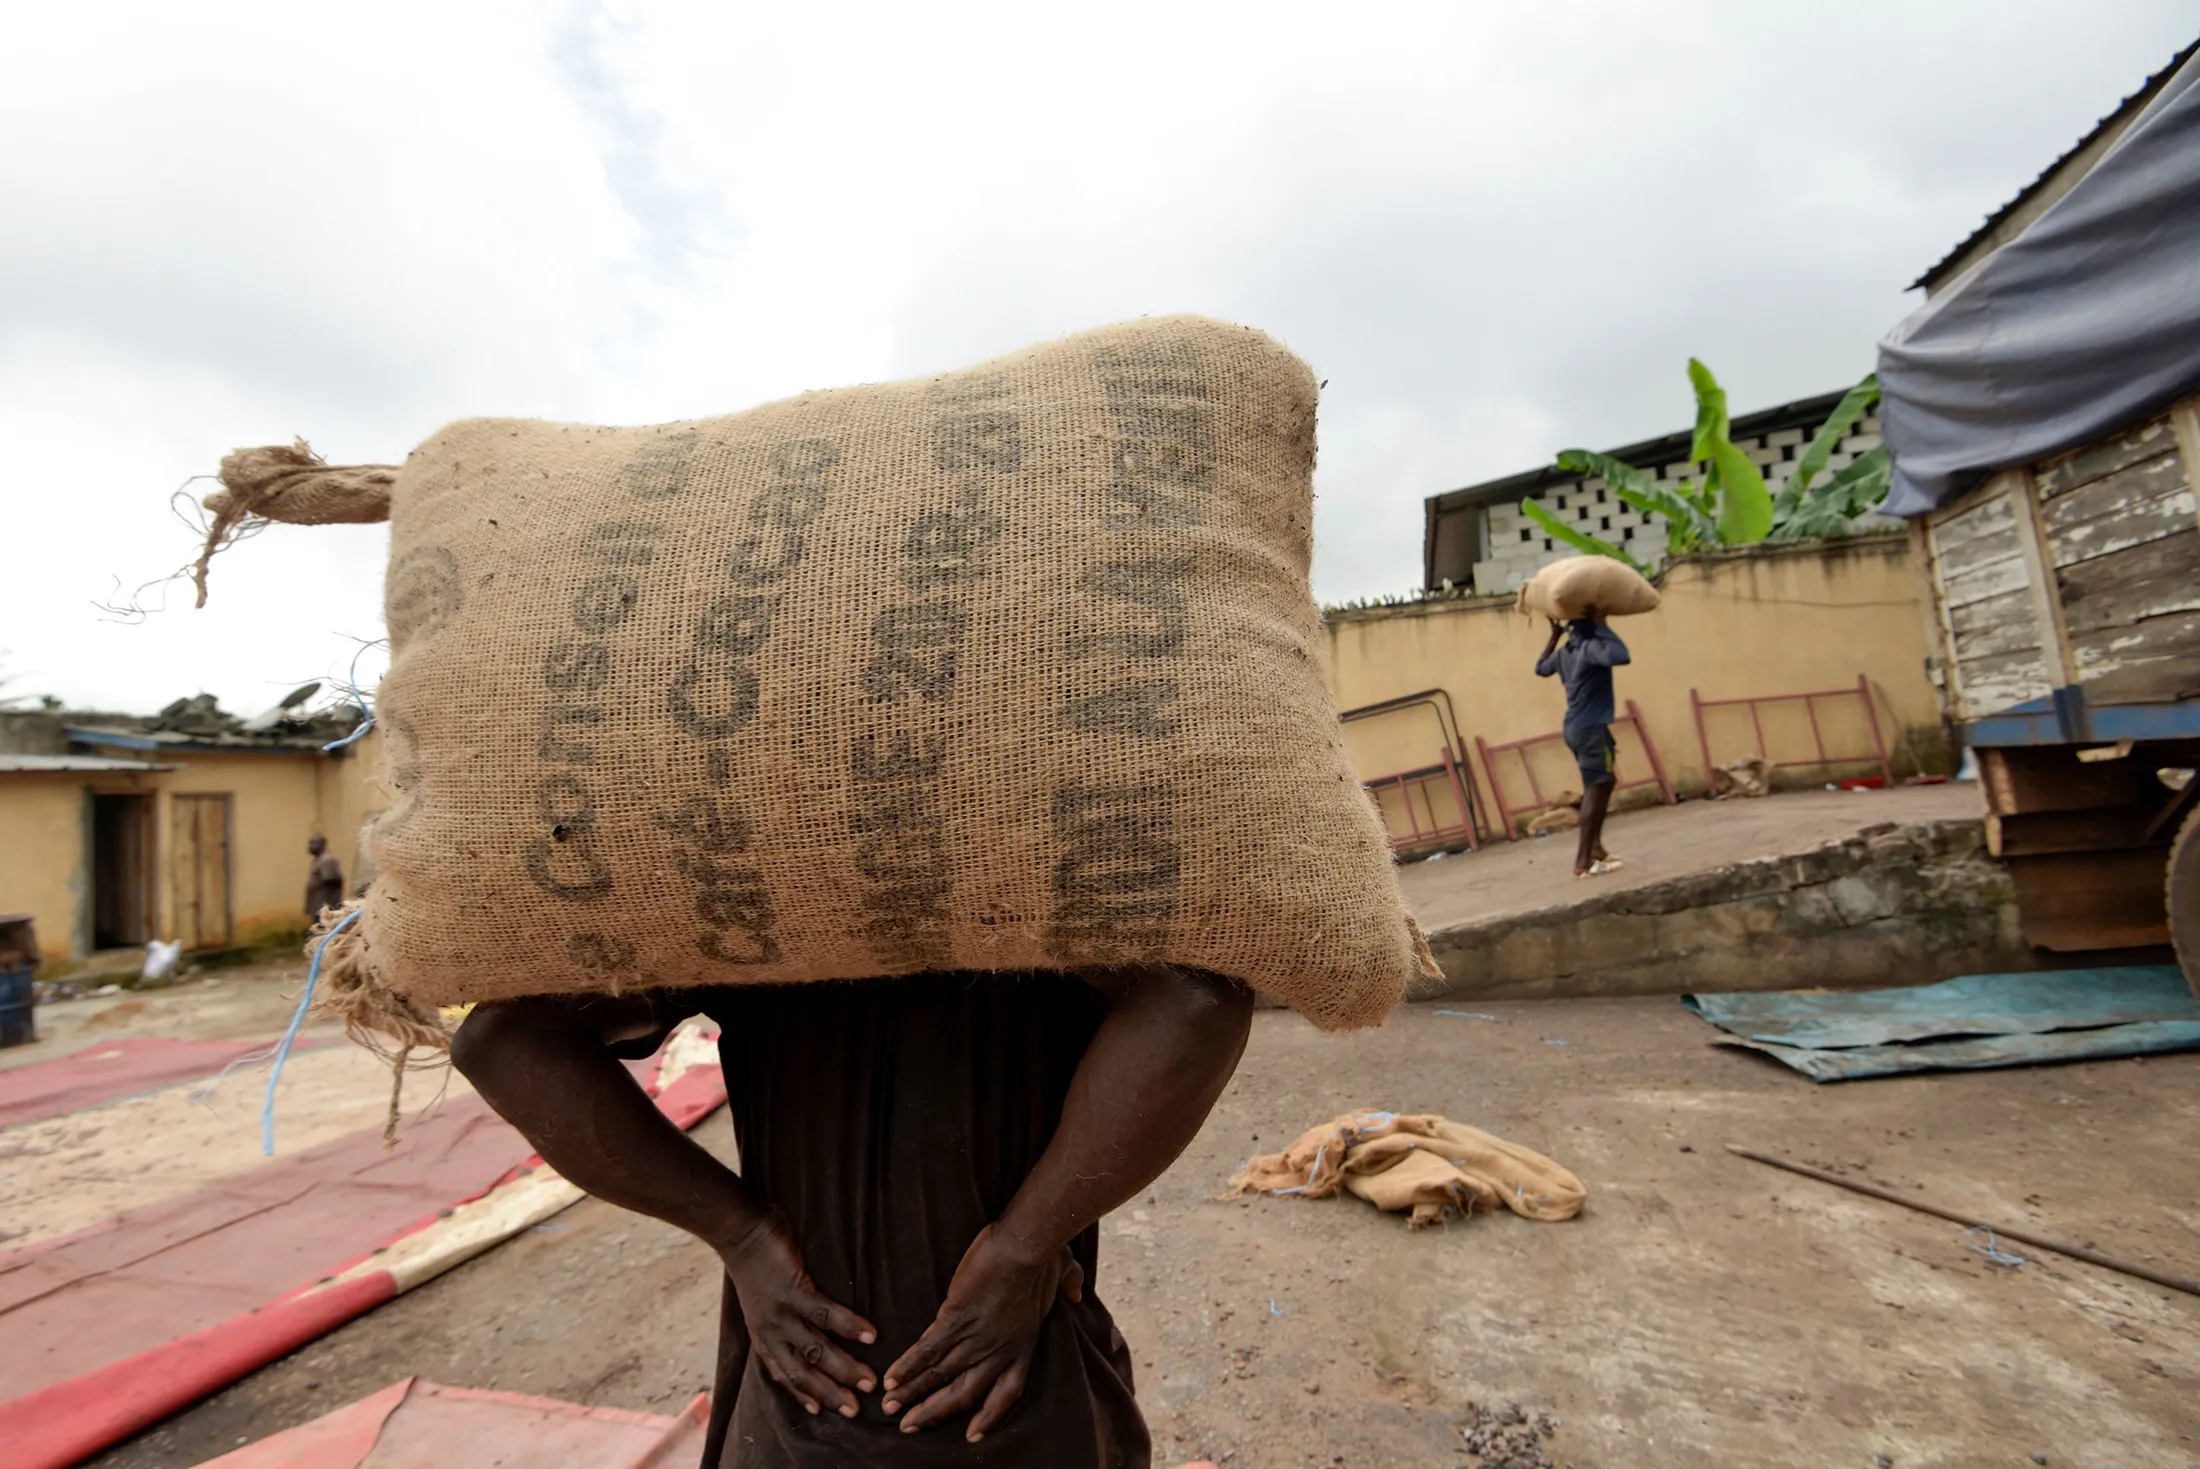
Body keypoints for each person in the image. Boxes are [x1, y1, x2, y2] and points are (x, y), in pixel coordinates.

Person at [451, 964, 1252, 1467]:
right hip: (993, 1385)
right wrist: (1023, 1245)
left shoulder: (761, 889)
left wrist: (744, 1234)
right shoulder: (763, 899)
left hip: (857, 1389)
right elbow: (1199, 999)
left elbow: (501, 1039)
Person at [1535, 606, 1632, 877]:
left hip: (1577, 728)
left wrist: (1554, 637)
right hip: (1590, 730)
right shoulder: (1589, 649)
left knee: (1606, 781)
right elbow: (1621, 656)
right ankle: (1582, 861)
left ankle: (1596, 847)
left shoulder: (1565, 653)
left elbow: (1541, 668)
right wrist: (1603, 625)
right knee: (1594, 788)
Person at [304, 835, 345, 919]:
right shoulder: (318, 860)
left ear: (322, 844)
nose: (310, 846)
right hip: (317, 907)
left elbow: (332, 882)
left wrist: (330, 906)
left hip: (325, 908)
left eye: (313, 843)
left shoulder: (327, 860)